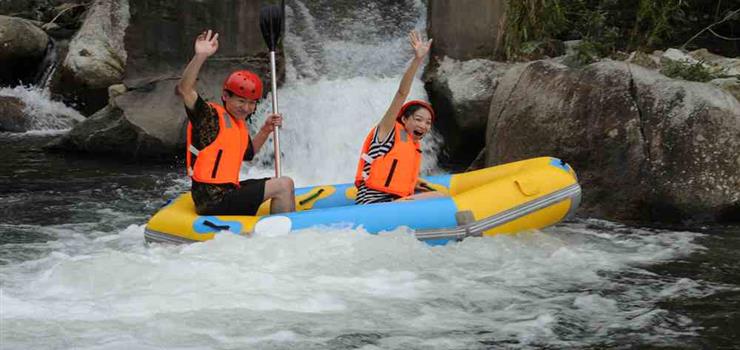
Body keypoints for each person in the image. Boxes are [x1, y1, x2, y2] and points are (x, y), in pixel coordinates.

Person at [177, 29, 295, 215]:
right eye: (241, 101)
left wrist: (265, 130)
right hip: (213, 199)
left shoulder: (237, 125)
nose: (246, 108)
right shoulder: (209, 116)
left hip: (228, 191)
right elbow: (184, 89)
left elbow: (248, 154)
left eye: (251, 103)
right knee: (284, 184)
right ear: (225, 96)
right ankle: (285, 235)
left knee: (277, 180)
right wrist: (200, 56)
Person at [354, 31, 445, 205]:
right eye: (418, 119)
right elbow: (401, 94)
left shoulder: (411, 144)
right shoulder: (386, 131)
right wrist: (417, 60)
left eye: (427, 123)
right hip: (374, 206)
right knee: (440, 199)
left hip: (393, 203)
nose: (424, 126)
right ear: (404, 119)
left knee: (437, 193)